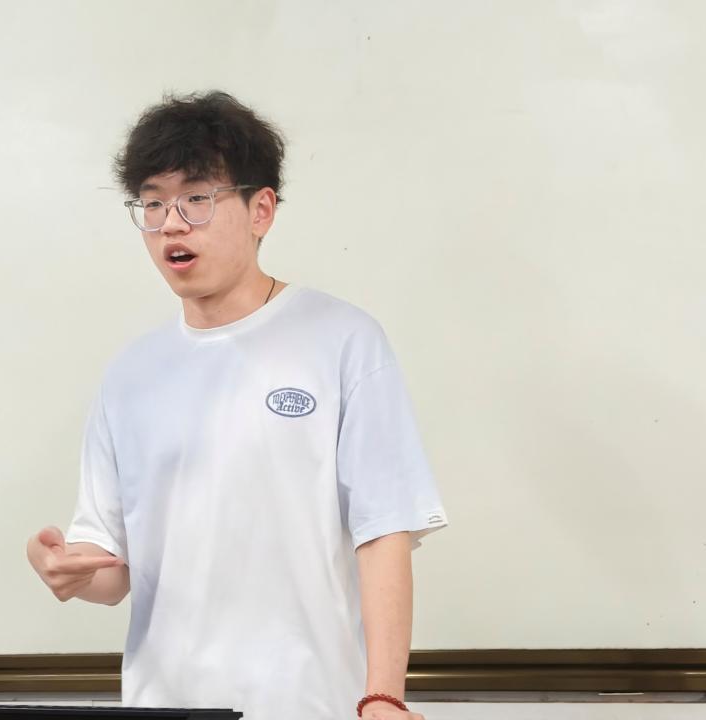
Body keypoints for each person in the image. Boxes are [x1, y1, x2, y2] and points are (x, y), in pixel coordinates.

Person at [27, 90, 448, 720]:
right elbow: (114, 574)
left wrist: (384, 695)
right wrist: (65, 568)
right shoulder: (130, 376)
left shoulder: (343, 340)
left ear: (261, 210)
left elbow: (384, 530)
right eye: (152, 203)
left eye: (196, 199)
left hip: (311, 705)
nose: (171, 224)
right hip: (164, 706)